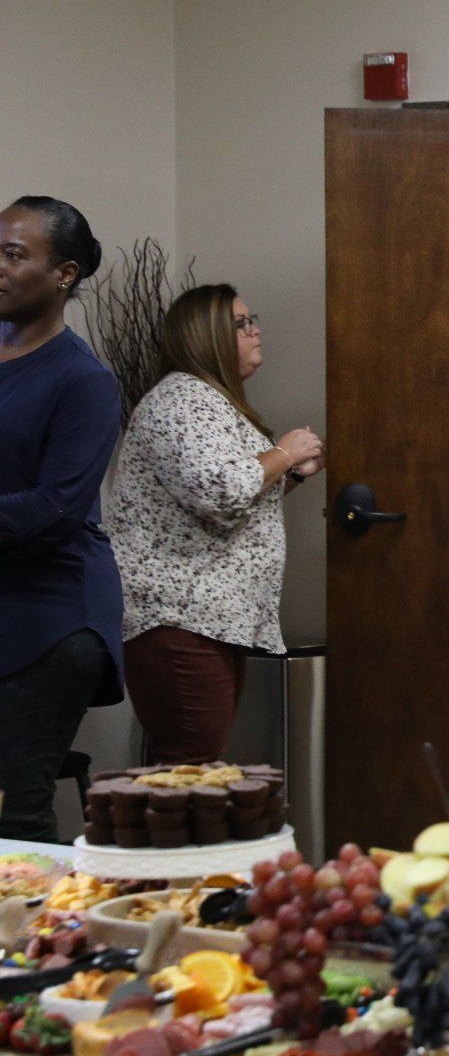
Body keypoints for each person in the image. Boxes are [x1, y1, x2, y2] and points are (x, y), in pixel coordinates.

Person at [106, 285, 323, 766]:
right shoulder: (182, 400)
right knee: (188, 768)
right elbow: (222, 492)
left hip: (210, 618)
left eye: (252, 318)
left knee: (194, 766)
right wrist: (284, 451)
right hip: (180, 617)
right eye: (242, 323)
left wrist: (287, 474)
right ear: (208, 338)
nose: (255, 330)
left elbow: (228, 503)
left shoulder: (210, 401)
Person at [0, 195, 124, 841]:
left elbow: (54, 507)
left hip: (51, 619)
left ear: (64, 275)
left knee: (15, 813)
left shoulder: (84, 381)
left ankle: (31, 943)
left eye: (13, 254)